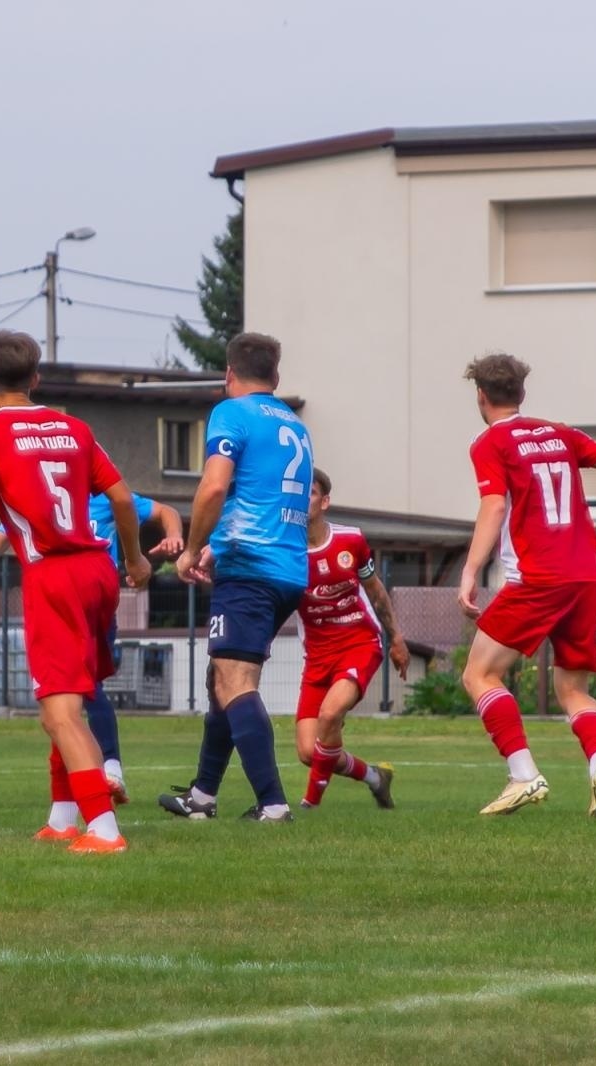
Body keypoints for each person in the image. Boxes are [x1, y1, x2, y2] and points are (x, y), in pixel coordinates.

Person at [0, 329, 152, 854]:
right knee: (68, 701)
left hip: (52, 576)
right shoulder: (74, 427)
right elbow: (123, 500)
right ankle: (62, 818)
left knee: (59, 713)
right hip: (98, 571)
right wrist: (135, 558)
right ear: (35, 378)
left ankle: (104, 830)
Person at [457, 353, 596, 817]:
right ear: (522, 392)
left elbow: (494, 506)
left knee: (479, 674)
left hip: (538, 578)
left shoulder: (490, 441)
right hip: (586, 577)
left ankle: (523, 775)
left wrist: (470, 570)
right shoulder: (559, 433)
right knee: (573, 689)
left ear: (481, 396)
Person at [158, 332, 311, 823]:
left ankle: (273, 804)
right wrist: (216, 549)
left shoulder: (231, 412)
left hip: (251, 569)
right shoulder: (294, 423)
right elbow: (263, 498)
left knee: (235, 680)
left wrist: (192, 549)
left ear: (228, 373)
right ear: (276, 376)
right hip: (288, 569)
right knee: (221, 679)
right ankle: (202, 796)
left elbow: (215, 487)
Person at [0, 492, 184, 801]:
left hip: (95, 604)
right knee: (64, 697)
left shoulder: (104, 495)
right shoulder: (36, 498)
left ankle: (106, 773)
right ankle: (85, 788)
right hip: (56, 605)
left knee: (83, 688)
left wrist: (174, 536)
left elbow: (165, 511)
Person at [294, 468, 408, 809]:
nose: (303, 497)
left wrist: (396, 638)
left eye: (311, 492)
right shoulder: (286, 550)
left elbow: (376, 591)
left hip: (359, 643)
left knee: (330, 715)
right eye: (298, 490)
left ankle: (309, 803)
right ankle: (375, 777)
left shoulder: (351, 541)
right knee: (308, 752)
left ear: (324, 502)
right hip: (317, 655)